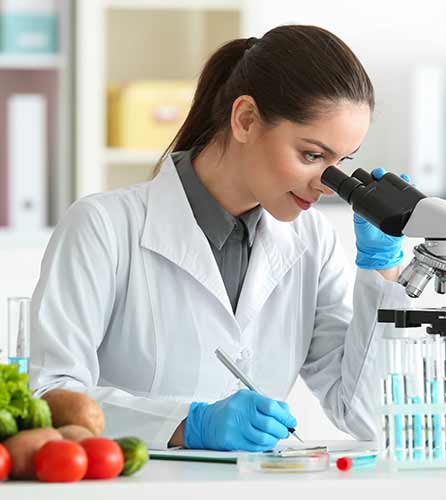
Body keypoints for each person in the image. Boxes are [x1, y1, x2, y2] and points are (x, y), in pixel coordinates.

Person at [30, 24, 411, 451]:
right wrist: (185, 425)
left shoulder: (313, 242)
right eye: (312, 155)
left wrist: (382, 274)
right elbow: (49, 399)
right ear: (245, 119)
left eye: (341, 162)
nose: (326, 183)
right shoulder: (104, 226)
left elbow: (368, 416)